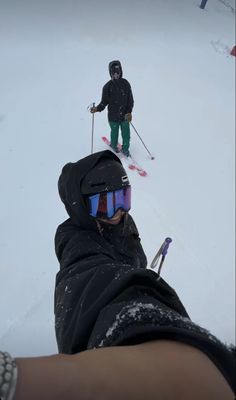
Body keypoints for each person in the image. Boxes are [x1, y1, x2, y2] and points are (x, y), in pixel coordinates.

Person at [1, 150, 235, 400]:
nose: (118, 211)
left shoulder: (122, 220)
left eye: (124, 198)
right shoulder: (76, 241)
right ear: (82, 205)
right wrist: (142, 321)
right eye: (105, 203)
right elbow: (90, 277)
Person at [90, 60, 134, 156]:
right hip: (113, 116)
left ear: (121, 72)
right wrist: (97, 109)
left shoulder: (125, 83)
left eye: (118, 73)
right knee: (114, 132)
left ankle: (125, 149)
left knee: (126, 134)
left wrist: (129, 112)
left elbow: (130, 100)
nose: (116, 75)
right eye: (114, 73)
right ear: (111, 73)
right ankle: (113, 145)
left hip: (125, 115)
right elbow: (104, 102)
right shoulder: (107, 87)